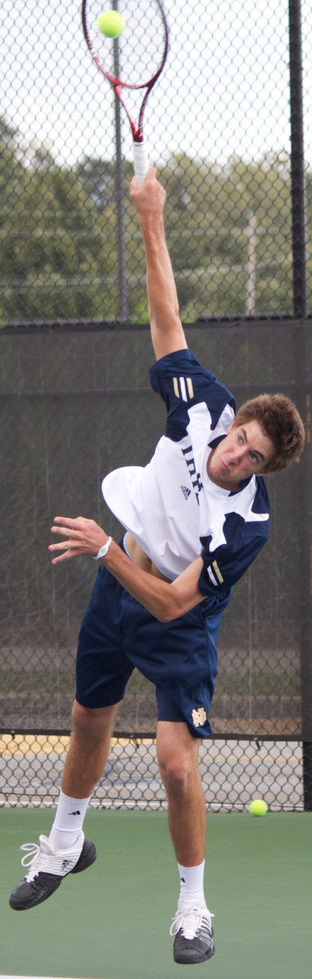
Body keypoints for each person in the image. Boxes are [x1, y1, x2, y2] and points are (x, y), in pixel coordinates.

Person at [9, 169, 305, 965]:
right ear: (235, 421)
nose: (235, 454)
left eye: (253, 456)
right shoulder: (201, 403)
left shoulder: (245, 525)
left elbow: (176, 603)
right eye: (241, 438)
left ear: (264, 470)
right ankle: (65, 842)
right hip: (117, 587)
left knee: (175, 766)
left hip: (177, 621)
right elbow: (167, 315)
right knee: (86, 718)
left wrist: (106, 549)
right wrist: (151, 215)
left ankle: (193, 906)